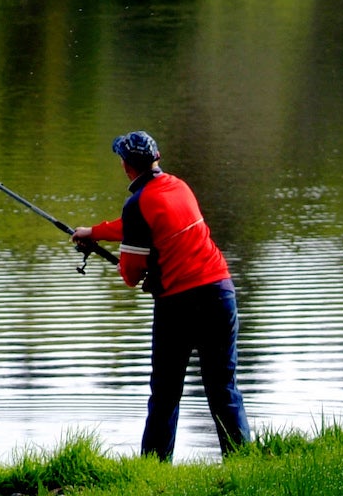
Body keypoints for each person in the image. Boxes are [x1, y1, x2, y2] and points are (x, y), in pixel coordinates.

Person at [74, 131, 251, 459]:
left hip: (180, 304)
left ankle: (154, 468)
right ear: (157, 159)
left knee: (166, 394)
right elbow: (143, 224)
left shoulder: (137, 204)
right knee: (224, 389)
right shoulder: (178, 187)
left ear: (127, 167)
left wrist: (121, 265)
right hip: (220, 292)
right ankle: (244, 463)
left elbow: (131, 274)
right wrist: (94, 233)